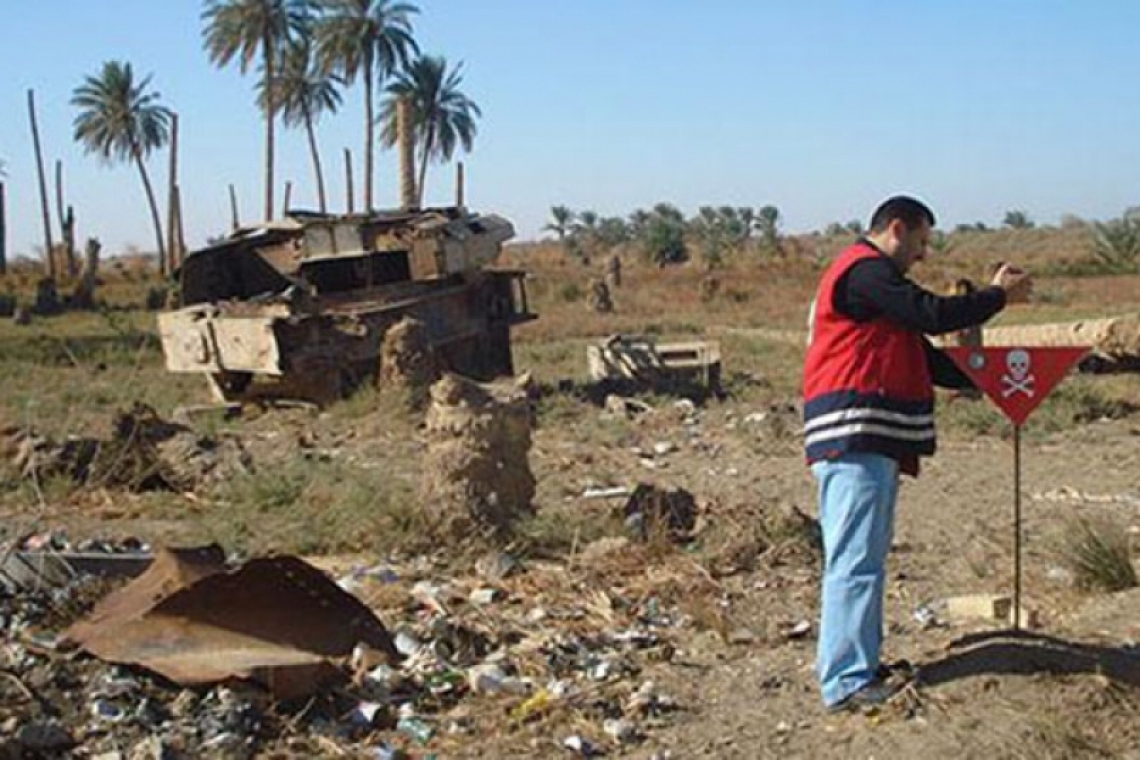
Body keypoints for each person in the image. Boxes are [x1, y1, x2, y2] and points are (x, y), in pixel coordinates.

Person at [802, 195, 1032, 712]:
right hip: (852, 432)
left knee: (866, 558)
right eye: (922, 242)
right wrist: (997, 296)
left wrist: (984, 378)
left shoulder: (872, 287)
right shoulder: (864, 272)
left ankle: (859, 664)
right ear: (897, 229)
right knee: (855, 561)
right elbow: (929, 315)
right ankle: (845, 681)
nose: (922, 255)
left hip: (866, 435)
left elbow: (920, 352)